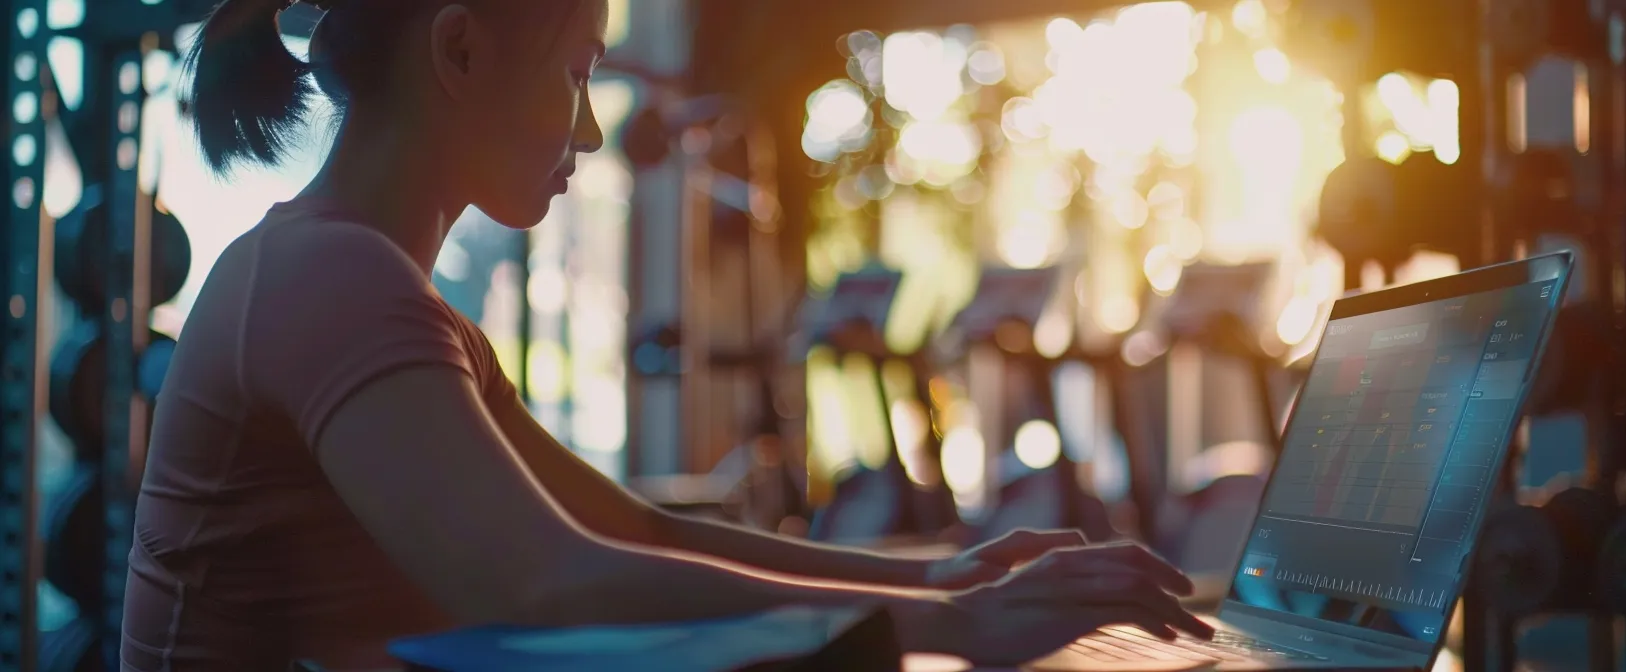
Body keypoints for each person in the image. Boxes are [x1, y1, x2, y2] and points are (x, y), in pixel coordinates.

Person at [121, 0, 1209, 669]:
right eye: (579, 70)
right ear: (458, 50)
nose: (591, 129)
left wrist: (944, 581)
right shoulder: (332, 276)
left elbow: (630, 531)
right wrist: (951, 630)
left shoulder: (367, 282)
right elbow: (543, 583)